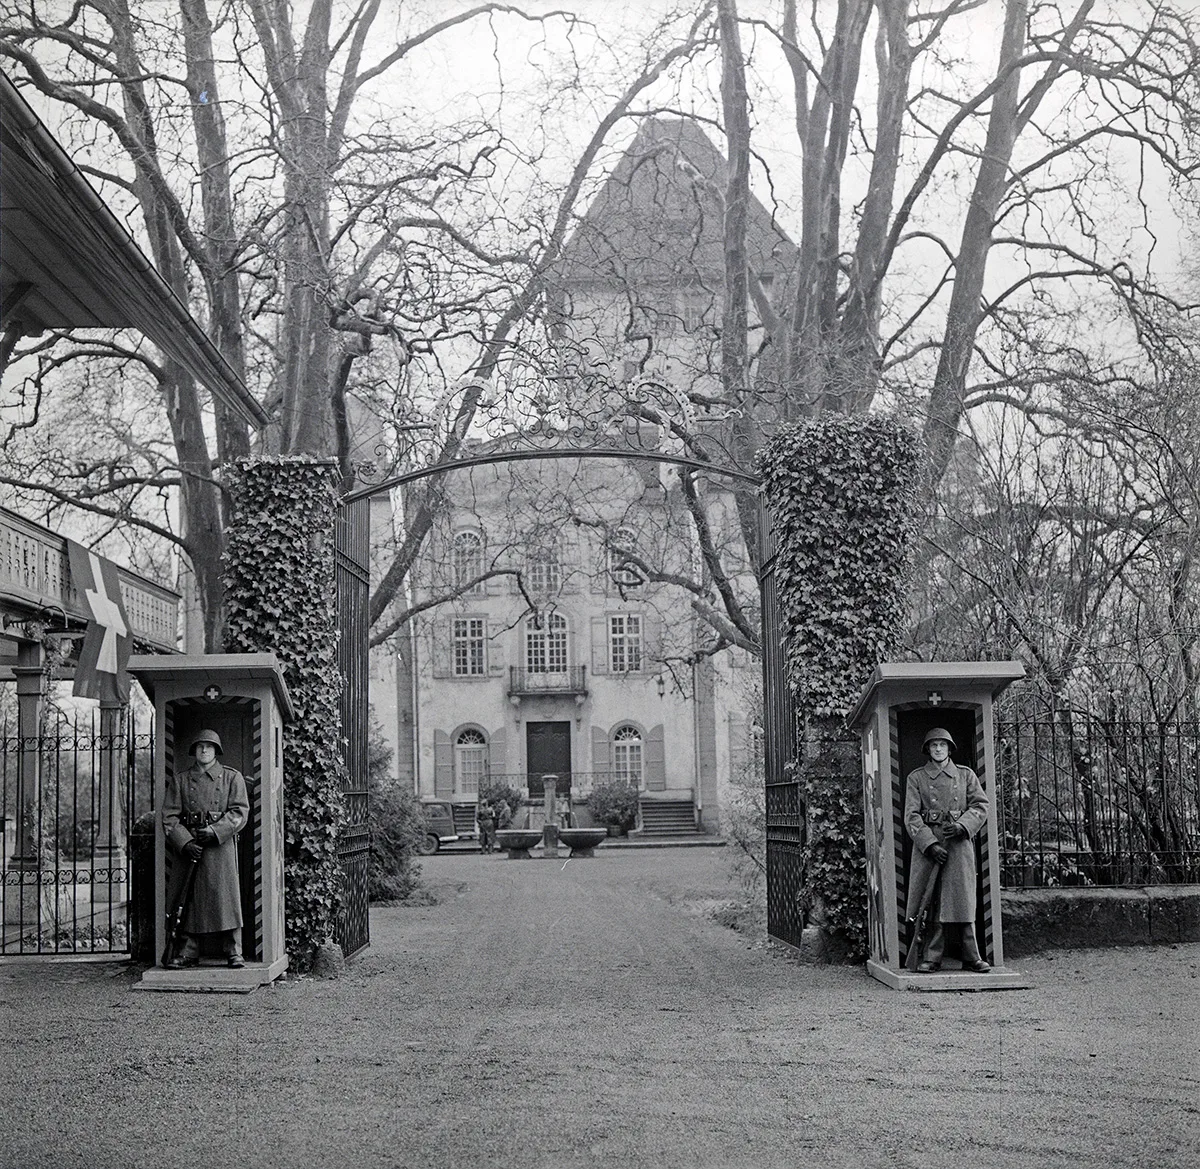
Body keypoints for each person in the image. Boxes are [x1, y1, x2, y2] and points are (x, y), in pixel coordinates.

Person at [904, 727, 991, 973]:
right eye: (934, 746)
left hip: (958, 845)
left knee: (962, 899)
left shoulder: (966, 775)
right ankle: (932, 956)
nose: (939, 749)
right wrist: (929, 844)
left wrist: (963, 826)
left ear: (949, 748)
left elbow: (981, 806)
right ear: (928, 750)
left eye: (943, 745)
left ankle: (971, 956)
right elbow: (911, 815)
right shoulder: (917, 778)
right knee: (931, 900)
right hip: (930, 849)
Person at [163, 729, 250, 969]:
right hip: (190, 849)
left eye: (209, 747)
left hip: (219, 848)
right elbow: (169, 817)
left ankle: (234, 951)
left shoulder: (232, 778)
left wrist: (214, 831)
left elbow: (239, 812)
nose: (204, 750)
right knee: (189, 899)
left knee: (226, 899)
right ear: (194, 751)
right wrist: (185, 842)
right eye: (200, 746)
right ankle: (187, 952)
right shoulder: (180, 780)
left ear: (216, 751)